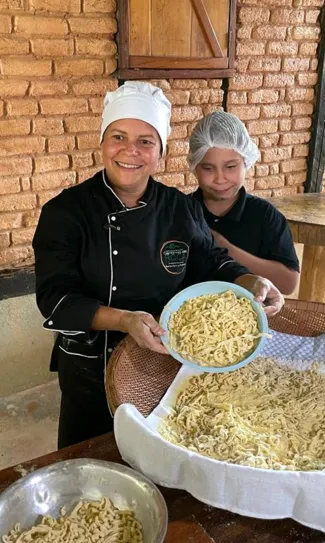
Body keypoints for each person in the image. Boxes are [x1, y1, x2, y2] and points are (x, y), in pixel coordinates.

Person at [33, 82, 285, 449]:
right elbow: (55, 300)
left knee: (156, 450)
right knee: (91, 454)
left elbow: (210, 263)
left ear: (161, 152)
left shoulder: (179, 208)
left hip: (164, 356)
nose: (130, 151)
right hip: (90, 363)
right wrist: (124, 319)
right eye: (118, 136)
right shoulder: (66, 212)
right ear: (103, 143)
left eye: (146, 141)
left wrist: (248, 279)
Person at [188, 111, 300, 295]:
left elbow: (288, 284)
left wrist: (224, 247)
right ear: (194, 166)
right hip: (187, 316)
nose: (220, 178)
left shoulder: (264, 216)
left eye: (231, 167)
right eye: (208, 168)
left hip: (249, 317)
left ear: (245, 162)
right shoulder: (182, 211)